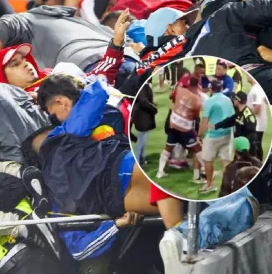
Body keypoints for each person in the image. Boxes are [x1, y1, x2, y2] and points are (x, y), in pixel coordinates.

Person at [31, 75, 183, 225]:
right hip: (114, 172)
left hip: (108, 199)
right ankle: (177, 234)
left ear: (61, 102)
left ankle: (177, 235)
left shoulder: (91, 118)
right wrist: (99, 82)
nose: (59, 121)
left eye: (54, 115)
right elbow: (92, 102)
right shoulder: (64, 133)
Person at [0, 5, 116, 71]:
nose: (25, 63)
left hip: (90, 66)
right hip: (124, 55)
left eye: (16, 61)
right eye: (16, 62)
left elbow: (3, 24)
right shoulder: (79, 22)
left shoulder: (25, 20)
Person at [156, 76, 205, 181]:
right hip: (185, 128)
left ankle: (160, 172)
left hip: (173, 123)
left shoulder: (179, 89)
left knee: (167, 148)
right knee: (197, 148)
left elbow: (171, 97)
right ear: (197, 86)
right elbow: (196, 117)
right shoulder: (197, 100)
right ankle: (205, 169)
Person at [198, 80, 235, 193]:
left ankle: (210, 184)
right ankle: (227, 187)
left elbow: (205, 121)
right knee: (226, 162)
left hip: (213, 136)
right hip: (227, 134)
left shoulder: (209, 102)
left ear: (211, 89)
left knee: (207, 161)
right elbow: (232, 116)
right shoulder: (228, 99)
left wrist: (200, 135)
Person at [213, 91, 257, 156]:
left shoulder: (248, 114)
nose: (233, 100)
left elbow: (252, 132)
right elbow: (229, 121)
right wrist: (215, 126)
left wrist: (245, 147)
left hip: (245, 147)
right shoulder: (239, 112)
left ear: (238, 100)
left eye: (234, 99)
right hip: (239, 145)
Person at [246, 75, 268, 160]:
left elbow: (257, 108)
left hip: (257, 124)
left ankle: (258, 165)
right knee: (254, 145)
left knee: (255, 145)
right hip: (256, 123)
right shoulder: (255, 89)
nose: (246, 76)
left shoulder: (256, 90)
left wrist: (245, 114)